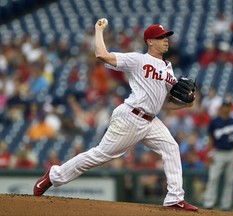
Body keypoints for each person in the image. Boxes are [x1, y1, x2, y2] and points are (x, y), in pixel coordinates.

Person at [33, 18, 198, 211]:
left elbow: (165, 103)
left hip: (151, 120)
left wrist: (186, 104)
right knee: (100, 155)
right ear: (149, 41)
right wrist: (99, 30)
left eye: (166, 36)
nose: (166, 40)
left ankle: (174, 198)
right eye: (161, 37)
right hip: (131, 116)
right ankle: (54, 175)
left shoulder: (169, 71)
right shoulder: (138, 59)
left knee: (171, 148)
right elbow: (102, 55)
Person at [203, 98, 233, 210]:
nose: (227, 108)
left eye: (228, 106)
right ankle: (209, 203)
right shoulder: (215, 122)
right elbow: (210, 139)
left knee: (230, 180)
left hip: (232, 152)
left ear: (230, 108)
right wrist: (210, 154)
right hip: (218, 152)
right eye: (225, 106)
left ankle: (226, 205)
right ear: (221, 108)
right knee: (213, 178)